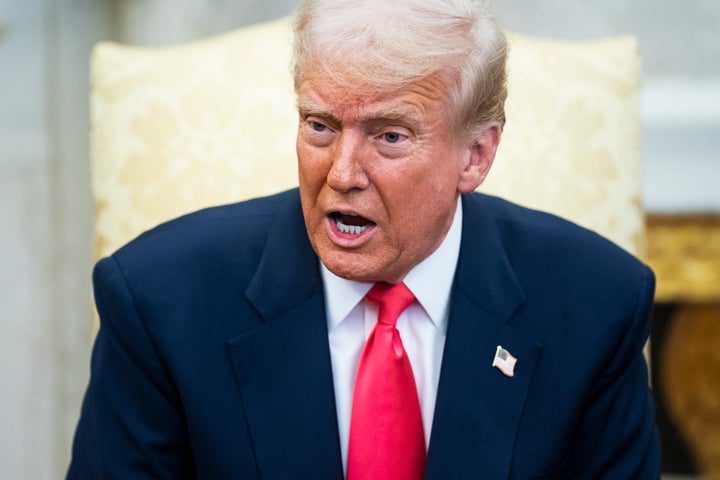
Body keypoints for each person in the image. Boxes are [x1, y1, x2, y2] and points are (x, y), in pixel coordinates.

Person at [67, 0, 661, 478]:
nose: (343, 174)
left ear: (475, 156)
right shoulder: (158, 300)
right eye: (319, 126)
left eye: (390, 136)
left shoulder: (597, 305)